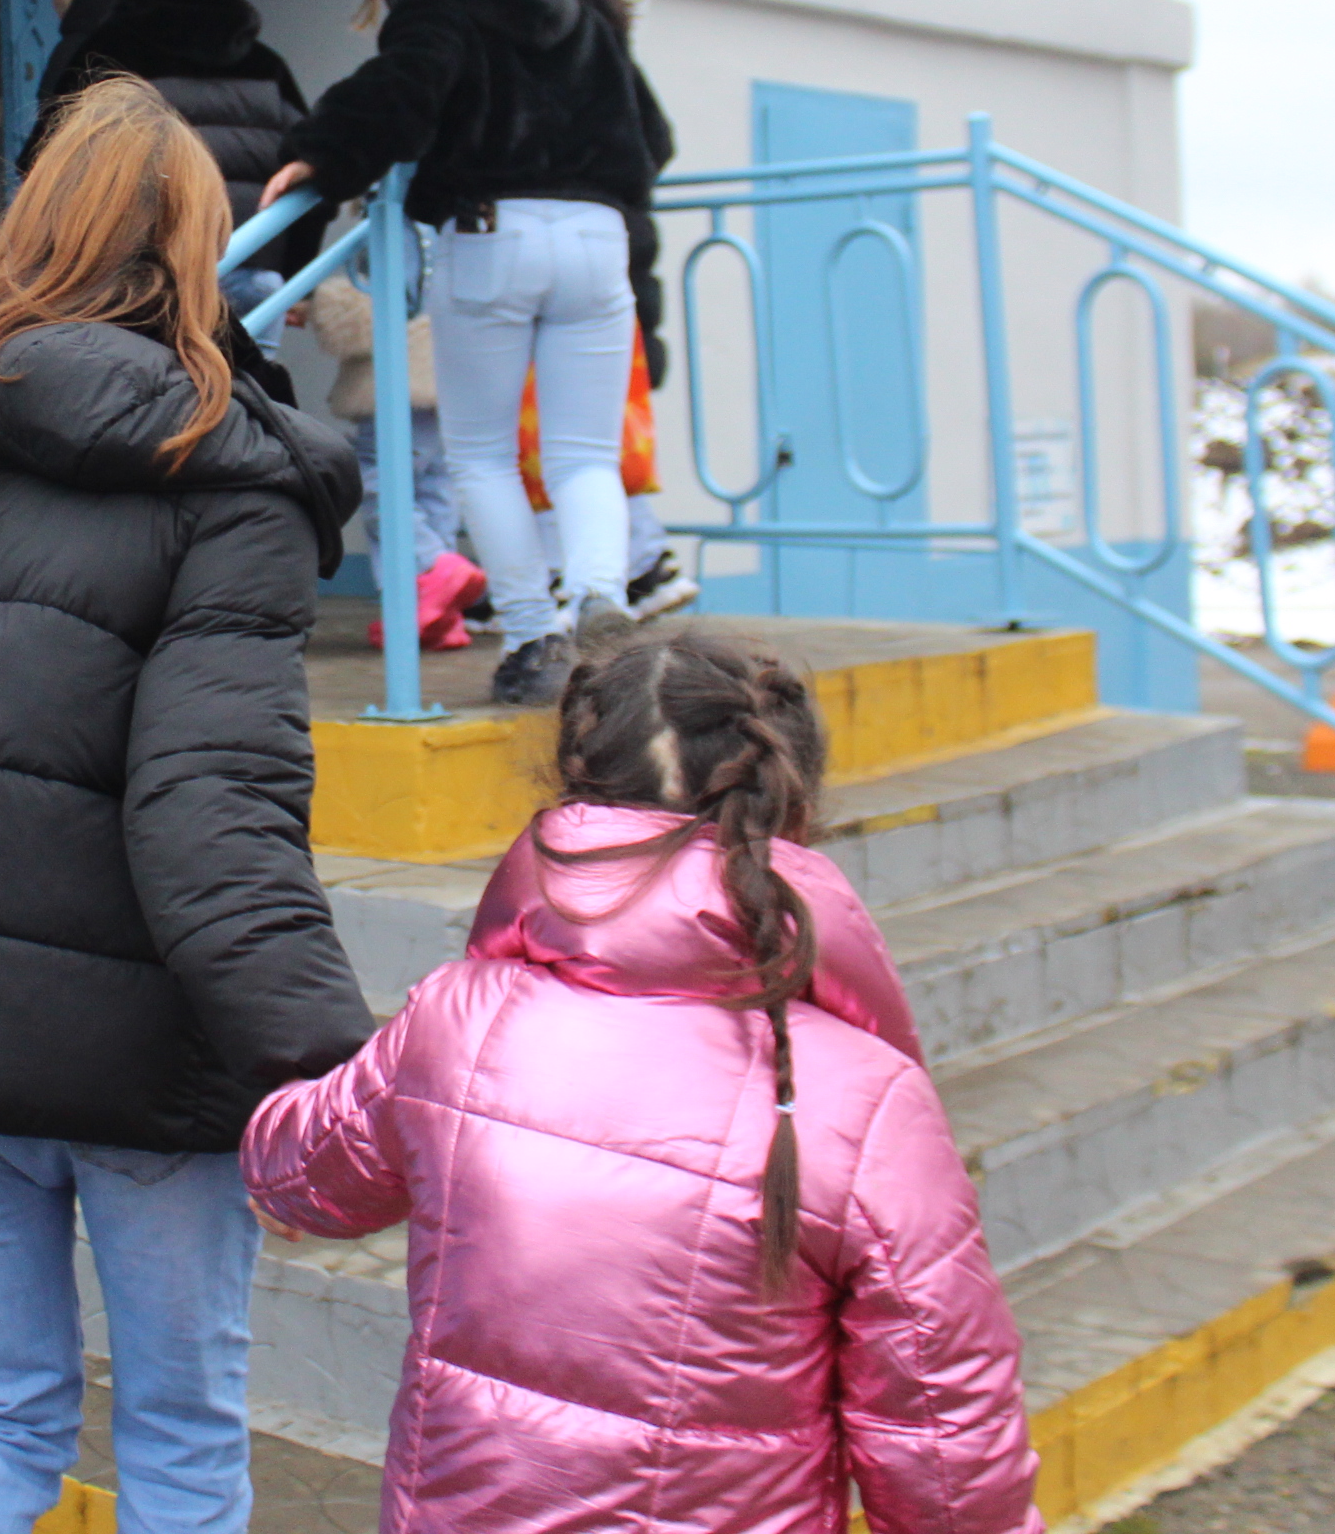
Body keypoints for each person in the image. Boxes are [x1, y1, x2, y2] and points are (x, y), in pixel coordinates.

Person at [0, 74, 373, 1534]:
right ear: (195, 248)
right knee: (179, 1438)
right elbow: (214, 805)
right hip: (134, 1061)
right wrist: (332, 1071)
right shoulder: (232, 480)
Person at [242, 631, 1046, 1534]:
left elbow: (298, 1172)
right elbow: (947, 1448)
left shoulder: (456, 1022)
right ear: (792, 800)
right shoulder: (866, 1099)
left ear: (573, 782)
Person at [261, 0, 664, 706]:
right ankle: (600, 594)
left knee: (482, 455)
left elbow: (401, 97)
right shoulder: (576, 10)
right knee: (584, 455)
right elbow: (651, 136)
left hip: (493, 234)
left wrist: (321, 155)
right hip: (598, 237)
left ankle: (533, 637)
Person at [525, 0, 695, 621]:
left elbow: (649, 140)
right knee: (581, 428)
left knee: (560, 427)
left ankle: (623, 567)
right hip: (610, 257)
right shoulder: (602, 36)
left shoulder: (572, 42)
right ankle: (624, 566)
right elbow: (656, 141)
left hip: (585, 261)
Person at [27, 0, 318, 307]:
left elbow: (44, 169)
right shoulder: (268, 64)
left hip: (149, 283)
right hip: (253, 273)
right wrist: (297, 277)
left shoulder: (104, 54)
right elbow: (312, 167)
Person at [302, 267, 483, 649]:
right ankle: (439, 612)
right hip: (448, 366)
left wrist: (318, 305)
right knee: (433, 488)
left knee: (377, 481)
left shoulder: (396, 239)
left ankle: (431, 566)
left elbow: (371, 310)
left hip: (401, 371)